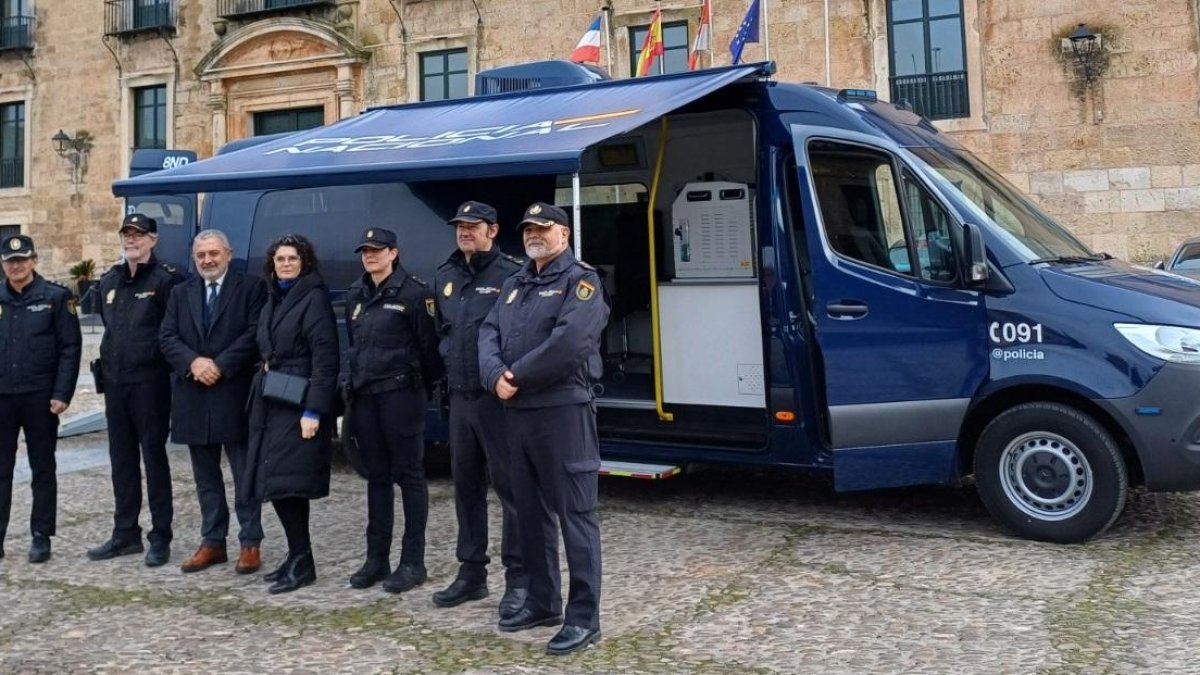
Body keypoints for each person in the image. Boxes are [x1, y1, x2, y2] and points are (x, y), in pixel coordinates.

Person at [478, 202, 609, 655]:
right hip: (518, 415)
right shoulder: (516, 283)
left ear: (564, 235)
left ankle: (583, 617)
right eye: (529, 228)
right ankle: (541, 600)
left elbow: (570, 343)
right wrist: (493, 373)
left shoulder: (582, 281)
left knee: (576, 515)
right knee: (528, 513)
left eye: (543, 228)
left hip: (562, 412)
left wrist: (515, 377)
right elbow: (487, 331)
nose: (534, 234)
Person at [431, 201, 525, 614]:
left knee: (512, 490)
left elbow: (521, 334)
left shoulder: (512, 274)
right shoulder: (446, 275)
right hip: (460, 399)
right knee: (466, 489)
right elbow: (442, 335)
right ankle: (471, 573)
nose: (465, 231)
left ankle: (519, 578)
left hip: (498, 401)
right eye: (460, 226)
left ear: (493, 230)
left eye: (474, 226)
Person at [159, 230, 268, 575]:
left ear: (228, 254)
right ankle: (213, 541)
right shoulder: (180, 293)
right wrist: (193, 362)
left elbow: (254, 333)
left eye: (213, 253)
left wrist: (220, 364)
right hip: (193, 393)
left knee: (244, 473)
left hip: (233, 391)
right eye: (201, 255)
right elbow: (167, 336)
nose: (207, 260)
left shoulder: (251, 288)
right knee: (205, 477)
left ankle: (250, 542)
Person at [342, 227, 442, 593]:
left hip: (401, 397)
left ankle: (413, 562)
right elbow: (354, 346)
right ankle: (376, 559)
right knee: (377, 478)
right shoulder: (357, 293)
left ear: (393, 253)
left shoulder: (414, 293)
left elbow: (429, 350)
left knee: (410, 477)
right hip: (366, 398)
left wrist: (421, 390)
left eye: (377, 250)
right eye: (365, 251)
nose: (370, 256)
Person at [244, 234, 339, 594]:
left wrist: (314, 409)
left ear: (305, 263)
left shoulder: (313, 299)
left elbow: (326, 360)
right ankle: (297, 555)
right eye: (280, 259)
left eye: (292, 259)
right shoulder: (274, 296)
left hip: (298, 401)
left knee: (289, 482)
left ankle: (303, 560)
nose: (285, 264)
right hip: (271, 398)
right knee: (276, 481)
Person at [88, 213, 184, 567]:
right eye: (127, 235)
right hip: (115, 385)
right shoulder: (109, 281)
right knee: (121, 461)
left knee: (154, 460)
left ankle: (160, 536)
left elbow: (172, 330)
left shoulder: (167, 280)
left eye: (139, 235)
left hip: (150, 384)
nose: (132, 240)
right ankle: (125, 533)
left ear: (153, 240)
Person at [0, 234, 81, 563]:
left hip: (40, 398)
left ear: (33, 262)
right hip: (2, 397)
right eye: (10, 261)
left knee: (43, 469)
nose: (16, 266)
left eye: (22, 260)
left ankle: (41, 536)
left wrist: (62, 393)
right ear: (3, 264)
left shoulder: (56, 298)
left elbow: (70, 349)